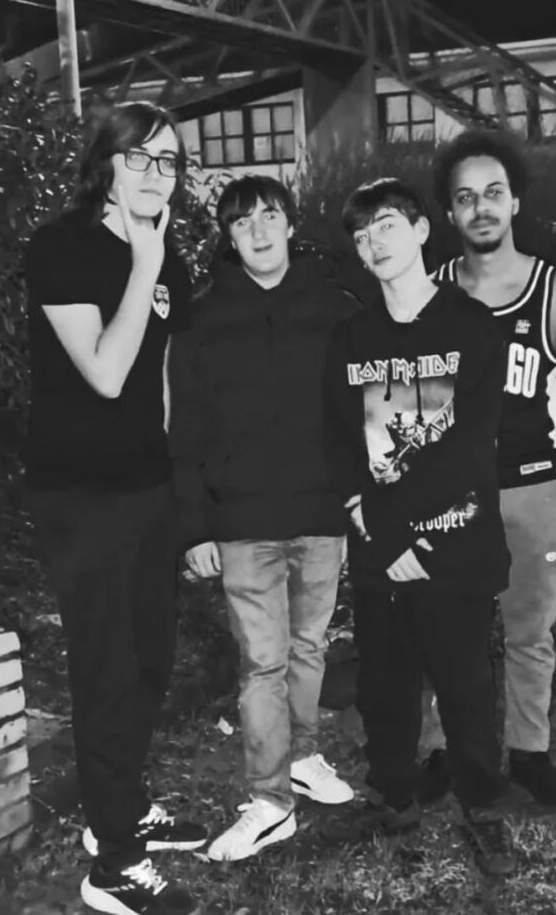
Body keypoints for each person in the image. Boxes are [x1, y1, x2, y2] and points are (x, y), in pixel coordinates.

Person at [24, 100, 207, 915]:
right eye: (141, 157)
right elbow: (104, 371)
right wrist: (143, 265)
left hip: (146, 489)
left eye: (169, 161)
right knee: (106, 670)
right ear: (105, 163)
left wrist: (178, 487)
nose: (157, 174)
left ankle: (122, 808)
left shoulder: (169, 262)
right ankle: (114, 868)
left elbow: (161, 380)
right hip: (82, 493)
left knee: (150, 662)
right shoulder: (61, 247)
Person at [322, 178, 516, 876]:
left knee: (466, 687)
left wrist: (410, 532)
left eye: (386, 226)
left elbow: (470, 444)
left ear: (422, 231)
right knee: (385, 684)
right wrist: (383, 533)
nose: (373, 243)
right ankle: (394, 797)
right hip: (381, 549)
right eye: (361, 234)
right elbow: (339, 444)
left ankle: (483, 807)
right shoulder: (350, 338)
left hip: (454, 543)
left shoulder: (472, 326)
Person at [170, 175, 358, 863]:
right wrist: (195, 527)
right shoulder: (201, 317)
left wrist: (362, 500)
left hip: (322, 513)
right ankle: (270, 801)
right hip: (243, 520)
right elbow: (184, 428)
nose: (258, 230)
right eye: (242, 221)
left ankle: (302, 757)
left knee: (309, 650)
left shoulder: (335, 307)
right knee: (262, 665)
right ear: (227, 234)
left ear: (289, 223)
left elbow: (360, 413)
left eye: (269, 215)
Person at [417, 128, 556, 809]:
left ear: (515, 201)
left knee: (530, 633)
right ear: (449, 212)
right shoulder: (428, 292)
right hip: (451, 496)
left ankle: (529, 753)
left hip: (533, 490)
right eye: (466, 197)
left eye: (493, 192)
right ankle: (443, 750)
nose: (481, 207)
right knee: (445, 631)